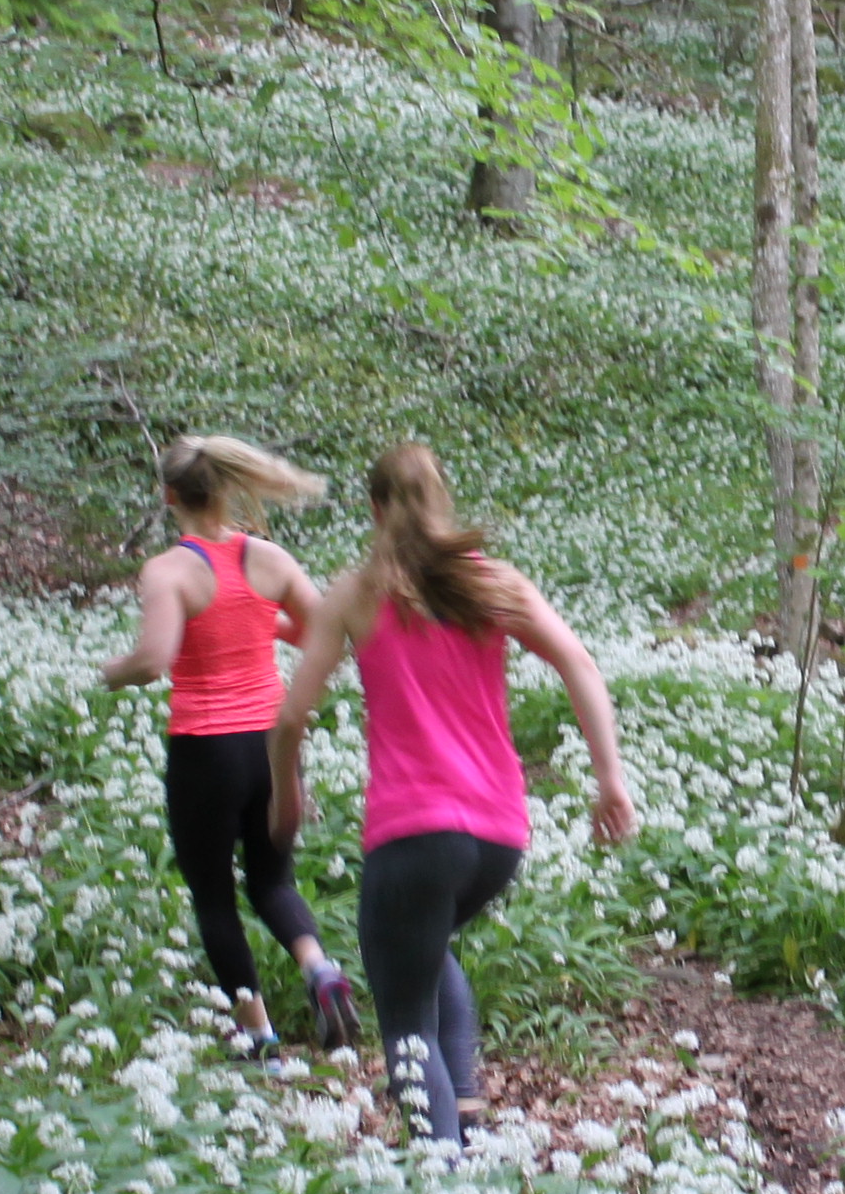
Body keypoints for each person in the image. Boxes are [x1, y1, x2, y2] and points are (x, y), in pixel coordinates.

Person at [268, 441, 636, 1147]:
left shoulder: (355, 592)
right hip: (498, 836)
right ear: (444, 501)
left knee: (405, 1020)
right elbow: (579, 662)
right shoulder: (492, 582)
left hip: (412, 834)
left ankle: (444, 1183)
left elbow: (290, 719)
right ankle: (462, 1116)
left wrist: (288, 793)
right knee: (429, 955)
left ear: (374, 510)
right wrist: (609, 781)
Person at [100, 435, 362, 1062]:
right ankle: (320, 970)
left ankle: (260, 1037)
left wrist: (112, 671)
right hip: (272, 746)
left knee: (214, 894)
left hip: (205, 752)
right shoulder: (269, 558)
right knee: (273, 880)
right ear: (226, 489)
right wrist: (263, 620)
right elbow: (324, 631)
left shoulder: (168, 571)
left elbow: (156, 659)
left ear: (170, 497)